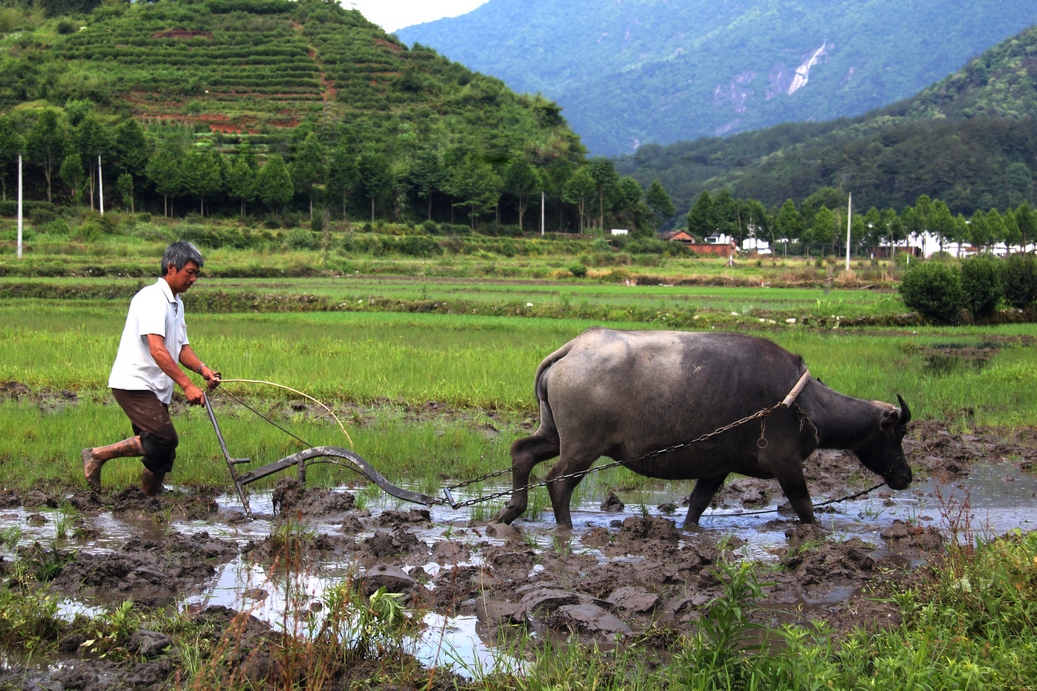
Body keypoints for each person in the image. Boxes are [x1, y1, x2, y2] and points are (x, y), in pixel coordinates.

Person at [82, 241, 220, 496]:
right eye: (190, 272)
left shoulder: (176, 303)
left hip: (156, 387)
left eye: (196, 274)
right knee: (164, 439)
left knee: (162, 453)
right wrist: (187, 385)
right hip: (134, 383)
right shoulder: (151, 299)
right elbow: (157, 349)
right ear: (171, 267)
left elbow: (180, 348)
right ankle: (97, 455)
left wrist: (203, 370)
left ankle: (146, 502)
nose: (193, 279)